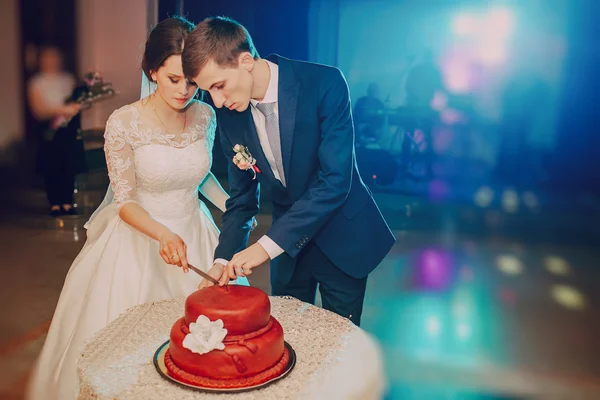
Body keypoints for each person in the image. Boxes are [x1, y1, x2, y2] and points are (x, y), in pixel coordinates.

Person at [26, 17, 248, 400]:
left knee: (204, 346)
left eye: (192, 81)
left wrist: (235, 208)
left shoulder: (206, 115)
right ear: (152, 70)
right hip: (140, 237)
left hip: (196, 231)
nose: (184, 91)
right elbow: (125, 200)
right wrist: (162, 234)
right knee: (133, 350)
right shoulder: (124, 122)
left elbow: (200, 177)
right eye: (173, 78)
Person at [184, 17, 395, 326]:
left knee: (339, 343)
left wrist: (264, 248)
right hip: (289, 255)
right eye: (208, 92)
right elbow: (242, 200)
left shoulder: (324, 84)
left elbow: (335, 181)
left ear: (246, 61)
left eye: (219, 86)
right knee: (288, 341)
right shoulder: (230, 118)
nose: (217, 101)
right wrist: (222, 259)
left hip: (341, 238)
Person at [27, 46, 87, 216]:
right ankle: (54, 203)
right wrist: (59, 111)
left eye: (55, 57)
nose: (52, 61)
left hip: (68, 128)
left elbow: (77, 100)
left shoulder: (68, 79)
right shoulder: (36, 82)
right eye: (48, 58)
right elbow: (38, 110)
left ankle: (68, 201)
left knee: (68, 164)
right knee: (52, 166)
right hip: (49, 128)